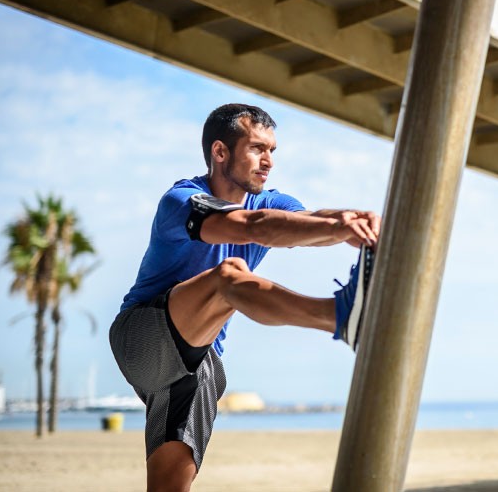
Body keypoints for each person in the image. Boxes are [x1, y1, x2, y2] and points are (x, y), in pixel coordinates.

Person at [109, 103, 379, 491]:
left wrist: (356, 221)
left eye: (272, 151)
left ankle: (346, 317)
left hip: (197, 364)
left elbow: (308, 221)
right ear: (220, 152)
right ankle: (340, 317)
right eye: (257, 148)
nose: (268, 161)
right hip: (142, 337)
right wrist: (337, 226)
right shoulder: (182, 200)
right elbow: (251, 227)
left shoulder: (270, 200)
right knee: (228, 277)